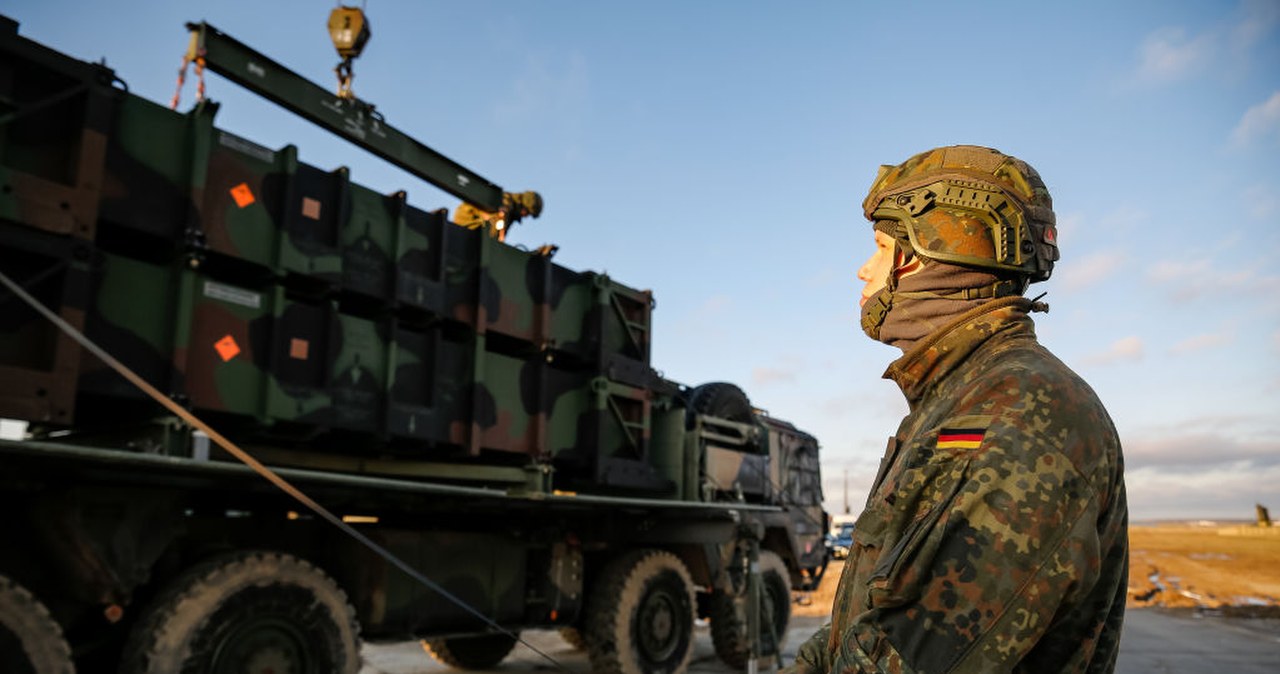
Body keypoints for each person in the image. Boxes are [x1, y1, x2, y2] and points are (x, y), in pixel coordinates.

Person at [787, 145, 1128, 673]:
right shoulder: (958, 397)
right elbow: (862, 626)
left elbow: (905, 659)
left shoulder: (1020, 411)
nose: (863, 270)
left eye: (880, 248)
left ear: (926, 253)